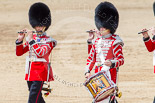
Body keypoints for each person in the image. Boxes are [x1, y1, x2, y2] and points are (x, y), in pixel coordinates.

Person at [15, 2, 57, 103]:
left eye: (41, 26)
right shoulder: (32, 38)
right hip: (30, 71)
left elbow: (41, 53)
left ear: (45, 26)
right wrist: (20, 40)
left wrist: (31, 41)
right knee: (37, 98)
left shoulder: (49, 41)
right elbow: (19, 52)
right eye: (36, 26)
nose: (38, 28)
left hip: (41, 72)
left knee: (32, 98)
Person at [85, 2, 124, 103]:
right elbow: (91, 58)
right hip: (98, 74)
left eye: (104, 27)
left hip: (110, 73)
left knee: (108, 98)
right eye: (100, 26)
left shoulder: (115, 41)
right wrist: (87, 71)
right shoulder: (97, 41)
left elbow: (120, 59)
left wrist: (112, 63)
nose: (101, 28)